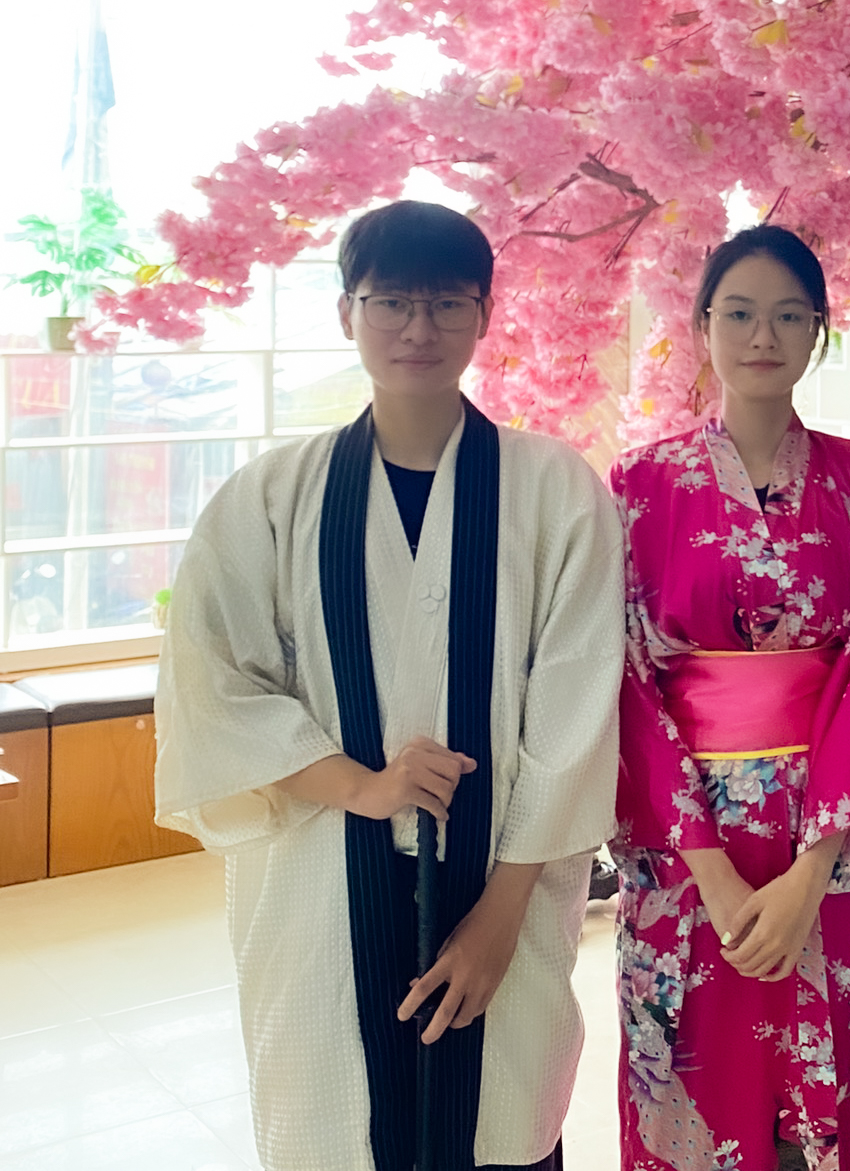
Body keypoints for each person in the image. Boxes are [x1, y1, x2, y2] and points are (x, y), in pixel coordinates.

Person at [154, 199, 625, 1171]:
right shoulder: (270, 498)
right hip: (322, 884)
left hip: (507, 883)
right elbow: (211, 686)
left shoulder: (555, 491)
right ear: (347, 312)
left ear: (484, 315)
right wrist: (360, 784)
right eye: (391, 301)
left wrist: (500, 916)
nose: (418, 327)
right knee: (339, 1127)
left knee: (499, 1119)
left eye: (447, 302)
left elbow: (575, 714)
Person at [610, 223, 850, 1171]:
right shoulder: (638, 485)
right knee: (689, 1094)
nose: (763, 335)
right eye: (741, 313)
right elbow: (626, 679)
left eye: (791, 316)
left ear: (819, 331)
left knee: (817, 1109)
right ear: (702, 324)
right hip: (686, 853)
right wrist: (711, 872)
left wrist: (813, 868)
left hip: (826, 846)